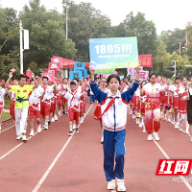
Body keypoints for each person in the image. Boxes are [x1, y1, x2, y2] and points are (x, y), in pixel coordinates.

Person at [90, 66, 141, 191]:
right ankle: (111, 179)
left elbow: (134, 86)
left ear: (119, 84)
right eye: (111, 82)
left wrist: (138, 73)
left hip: (120, 131)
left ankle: (121, 179)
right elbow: (94, 88)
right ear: (108, 84)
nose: (113, 84)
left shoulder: (124, 96)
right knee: (108, 156)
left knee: (120, 154)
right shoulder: (103, 96)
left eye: (116, 82)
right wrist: (92, 74)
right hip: (107, 131)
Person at [5, 73, 38, 141]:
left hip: (25, 105)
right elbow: (6, 85)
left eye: (25, 81)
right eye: (22, 80)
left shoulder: (27, 87)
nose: (23, 82)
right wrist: (10, 77)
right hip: (17, 105)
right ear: (19, 80)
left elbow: (36, 86)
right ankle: (19, 134)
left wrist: (33, 78)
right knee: (17, 120)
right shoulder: (16, 87)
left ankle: (24, 134)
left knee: (23, 119)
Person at [141, 73, 165, 141]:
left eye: (154, 78)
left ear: (156, 78)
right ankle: (149, 134)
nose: (153, 80)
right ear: (149, 78)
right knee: (148, 119)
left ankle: (156, 132)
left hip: (156, 102)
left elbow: (162, 94)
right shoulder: (146, 86)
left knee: (157, 118)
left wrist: (164, 91)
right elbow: (142, 94)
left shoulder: (159, 86)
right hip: (148, 102)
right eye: (152, 78)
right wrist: (141, 92)